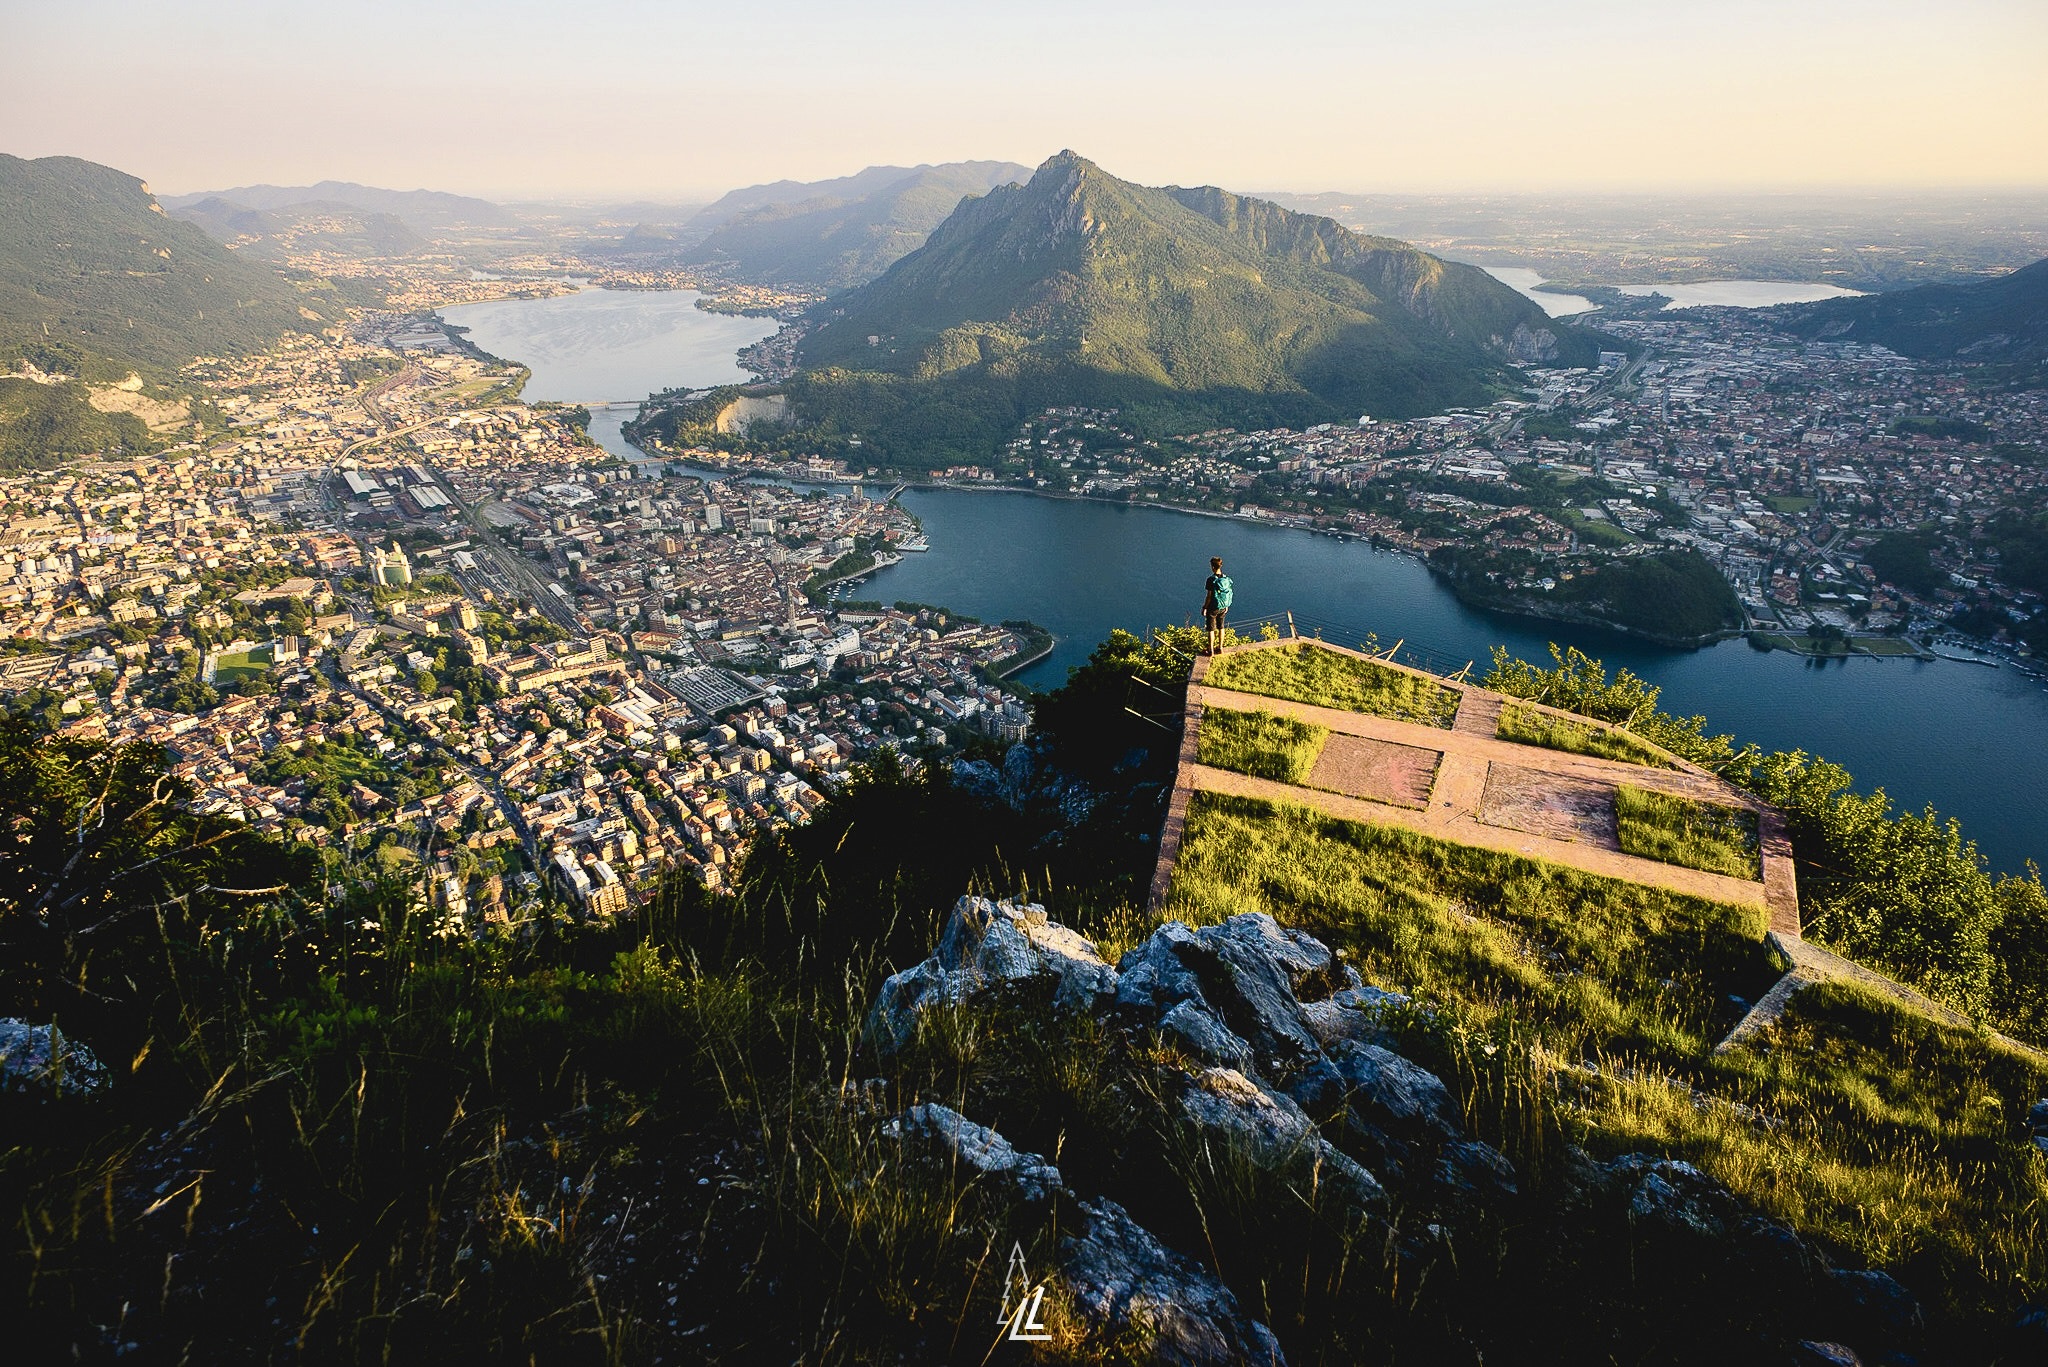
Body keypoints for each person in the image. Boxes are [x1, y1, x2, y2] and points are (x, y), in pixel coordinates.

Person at [1202, 556, 1233, 654]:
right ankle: (1220, 648)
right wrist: (1226, 605)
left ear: (1212, 567)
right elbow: (1227, 593)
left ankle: (1210, 650)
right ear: (1221, 565)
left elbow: (1209, 596)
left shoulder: (1211, 580)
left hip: (1213, 607)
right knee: (1221, 627)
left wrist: (1205, 607)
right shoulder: (1226, 579)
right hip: (1223, 606)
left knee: (1211, 629)